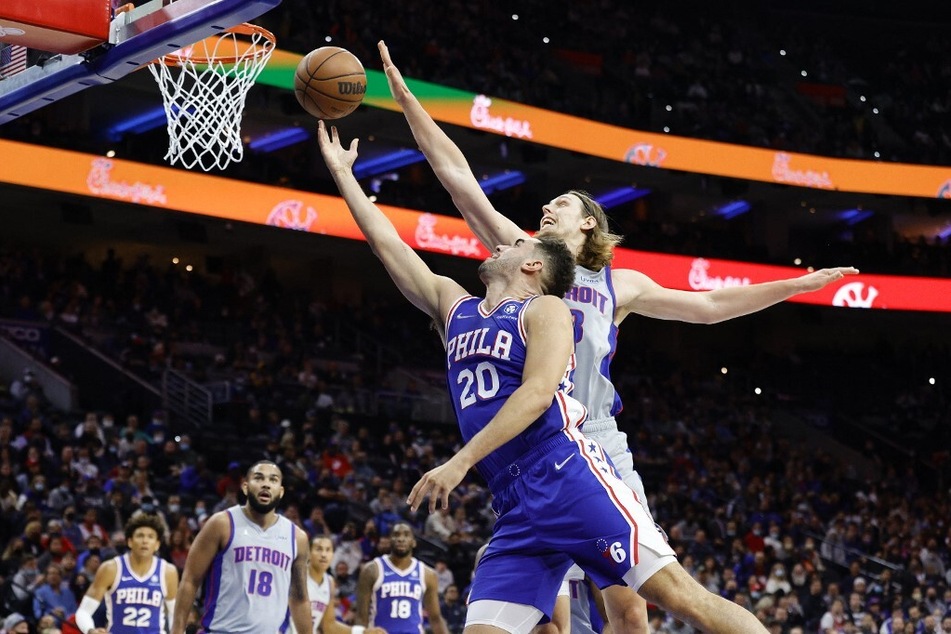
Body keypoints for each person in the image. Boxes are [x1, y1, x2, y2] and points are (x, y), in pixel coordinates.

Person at [378, 40, 858, 634]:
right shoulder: (522, 253)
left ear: (590, 224)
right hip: (530, 445)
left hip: (594, 438)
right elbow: (457, 177)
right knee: (544, 610)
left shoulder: (618, 284)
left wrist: (794, 285)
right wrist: (406, 101)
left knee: (633, 606)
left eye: (561, 204)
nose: (545, 209)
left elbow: (709, 305)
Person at [318, 119, 768, 634]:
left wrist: (458, 463)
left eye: (513, 245)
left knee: (681, 599)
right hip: (512, 502)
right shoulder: (454, 305)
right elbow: (387, 245)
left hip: (569, 476)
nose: (497, 244)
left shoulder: (548, 312)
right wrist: (343, 176)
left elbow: (536, 395)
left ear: (533, 266)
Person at [170, 460, 311, 634]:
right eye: (259, 478)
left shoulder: (297, 538)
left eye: (273, 480)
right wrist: (177, 630)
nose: (266, 484)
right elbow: (190, 580)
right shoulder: (221, 524)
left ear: (280, 492)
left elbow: (299, 598)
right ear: (245, 487)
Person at [74, 513, 179, 634]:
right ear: (129, 541)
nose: (145, 541)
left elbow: (175, 615)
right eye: (140, 536)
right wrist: (91, 630)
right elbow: (83, 612)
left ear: (157, 544)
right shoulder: (111, 568)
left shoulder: (168, 571)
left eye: (150, 537)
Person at [354, 522, 447, 634]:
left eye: (406, 535)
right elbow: (361, 617)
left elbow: (435, 618)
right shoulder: (371, 570)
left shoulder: (427, 574)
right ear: (389, 540)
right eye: (396, 535)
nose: (401, 539)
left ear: (414, 542)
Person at [291, 534, 385, 634]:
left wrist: (363, 632)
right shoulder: (295, 576)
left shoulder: (329, 582)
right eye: (319, 549)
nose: (324, 554)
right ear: (308, 553)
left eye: (328, 550)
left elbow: (329, 626)